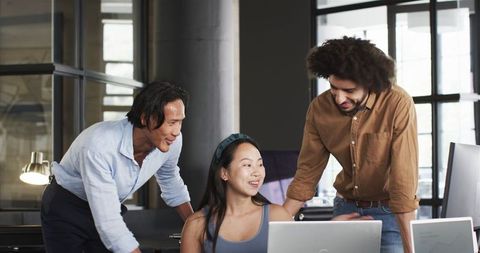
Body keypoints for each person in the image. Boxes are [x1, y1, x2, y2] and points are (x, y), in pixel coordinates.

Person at [283, 36, 419, 253]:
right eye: (333, 88)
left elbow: (403, 181)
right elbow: (307, 173)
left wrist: (411, 249)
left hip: (390, 214)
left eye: (348, 91)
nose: (338, 98)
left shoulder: (397, 104)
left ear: (369, 83)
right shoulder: (319, 109)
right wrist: (279, 226)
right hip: (345, 209)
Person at [41, 81, 194, 253]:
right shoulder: (99, 145)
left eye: (180, 122)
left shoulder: (171, 141)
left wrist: (196, 227)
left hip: (109, 206)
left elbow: (170, 179)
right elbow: (109, 223)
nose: (177, 131)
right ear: (145, 118)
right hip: (67, 208)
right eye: (171, 123)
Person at [180, 133, 368, 253]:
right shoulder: (196, 224)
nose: (257, 172)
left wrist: (331, 231)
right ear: (224, 172)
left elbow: (306, 249)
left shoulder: (277, 216)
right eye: (247, 165)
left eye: (260, 164)